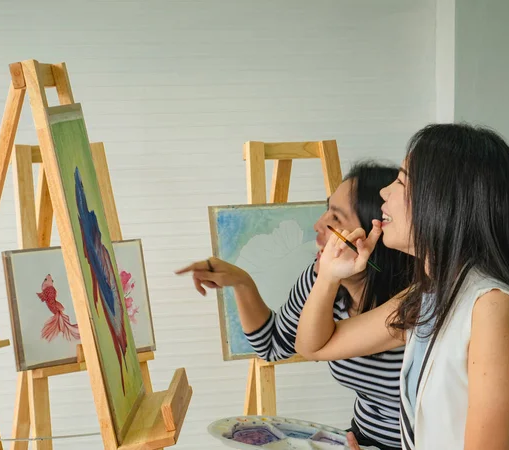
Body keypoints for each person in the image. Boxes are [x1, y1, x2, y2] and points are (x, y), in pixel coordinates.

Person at [295, 123, 509, 450]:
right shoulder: (429, 295)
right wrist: (330, 275)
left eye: (402, 181)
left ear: (442, 200)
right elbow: (312, 346)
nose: (385, 193)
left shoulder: (491, 307)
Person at [176, 161, 415, 450]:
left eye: (335, 219)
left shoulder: (414, 300)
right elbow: (273, 345)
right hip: (355, 438)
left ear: (377, 231)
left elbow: (310, 347)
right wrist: (242, 282)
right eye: (327, 209)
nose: (318, 225)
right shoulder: (321, 277)